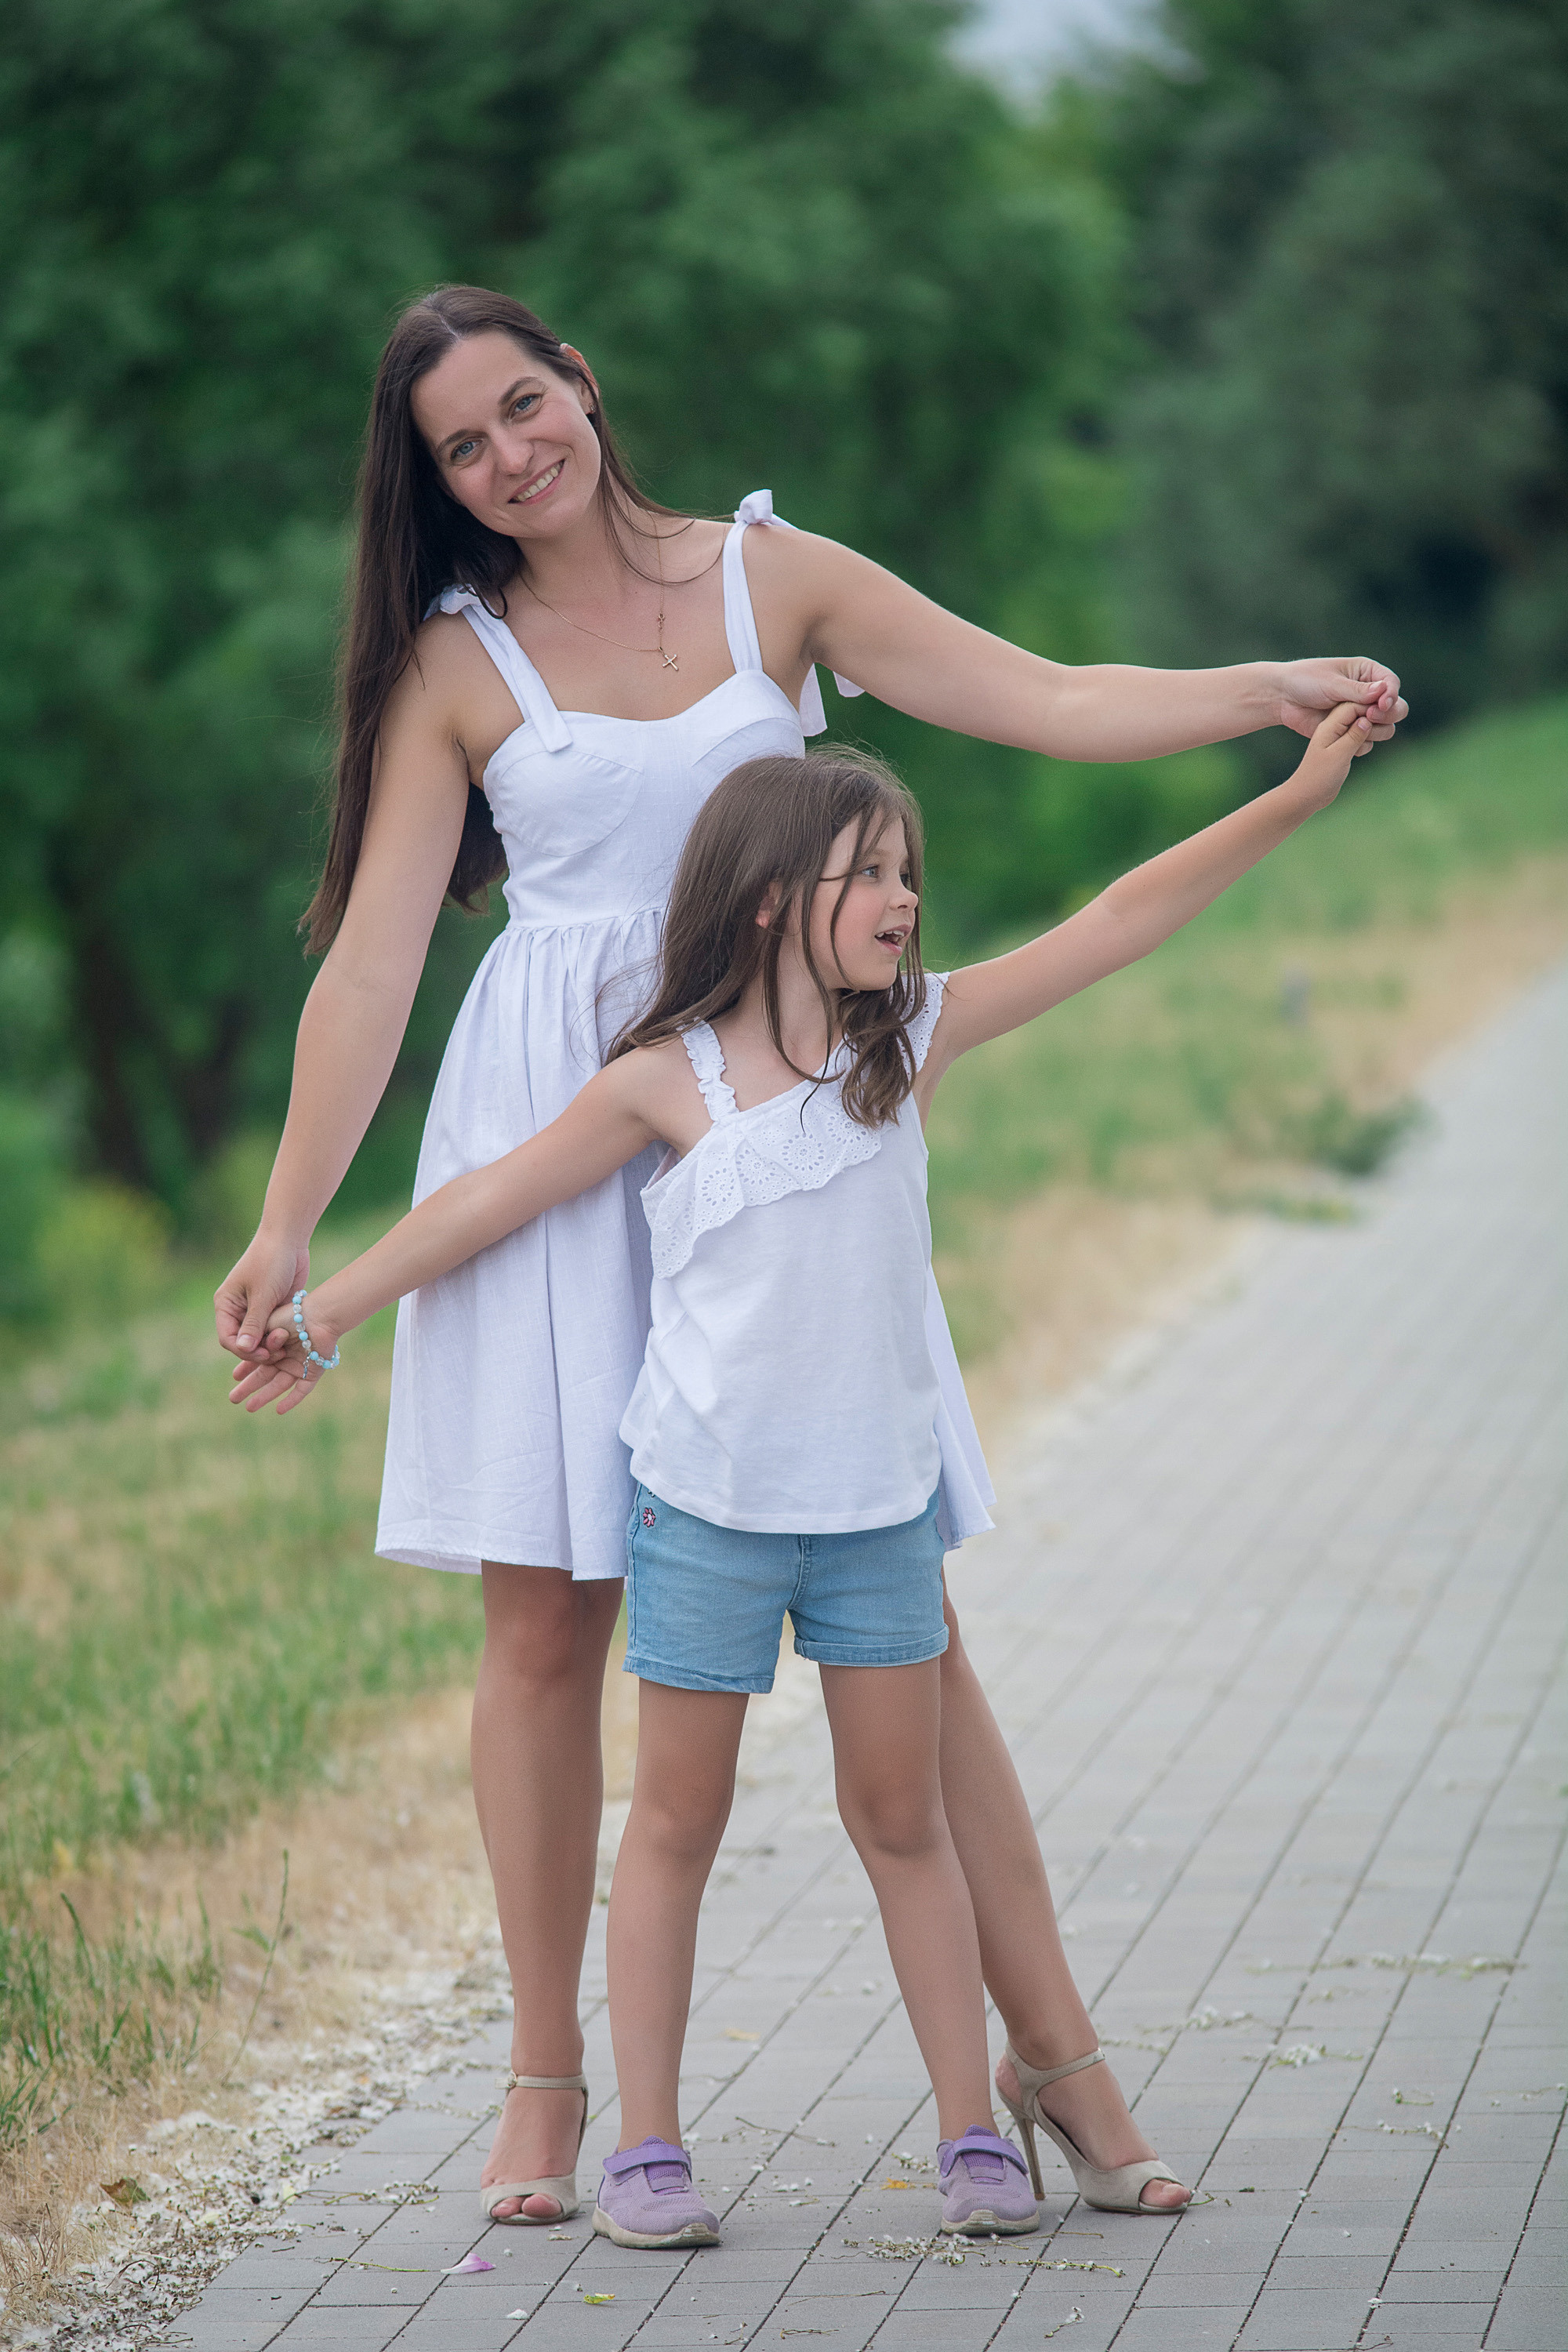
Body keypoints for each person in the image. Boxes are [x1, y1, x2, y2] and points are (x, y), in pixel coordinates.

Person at [214, 283, 1406, 2224]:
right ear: (428, 479)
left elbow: (1042, 695)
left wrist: (1253, 691)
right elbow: (369, 958)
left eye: (530, 404)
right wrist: (290, 1230)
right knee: (540, 1626)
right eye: (464, 443)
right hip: (563, 1115)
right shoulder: (452, 661)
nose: (515, 452)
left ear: (584, 386)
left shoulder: (773, 576)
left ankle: (1059, 2061)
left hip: (782, 1135)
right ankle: (547, 2091)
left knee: (908, 1629)